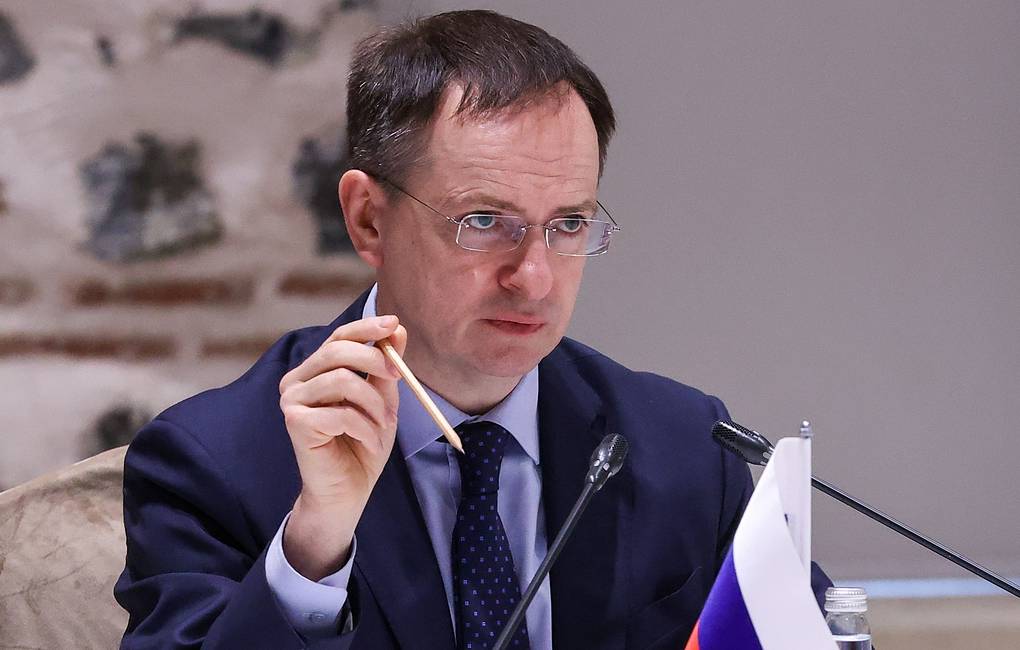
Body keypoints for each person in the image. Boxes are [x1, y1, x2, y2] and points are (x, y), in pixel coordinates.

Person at [115, 10, 831, 649]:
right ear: (368, 219)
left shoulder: (686, 448)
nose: (535, 278)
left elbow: (809, 631)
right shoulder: (213, 464)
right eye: (485, 221)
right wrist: (314, 549)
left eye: (568, 224)